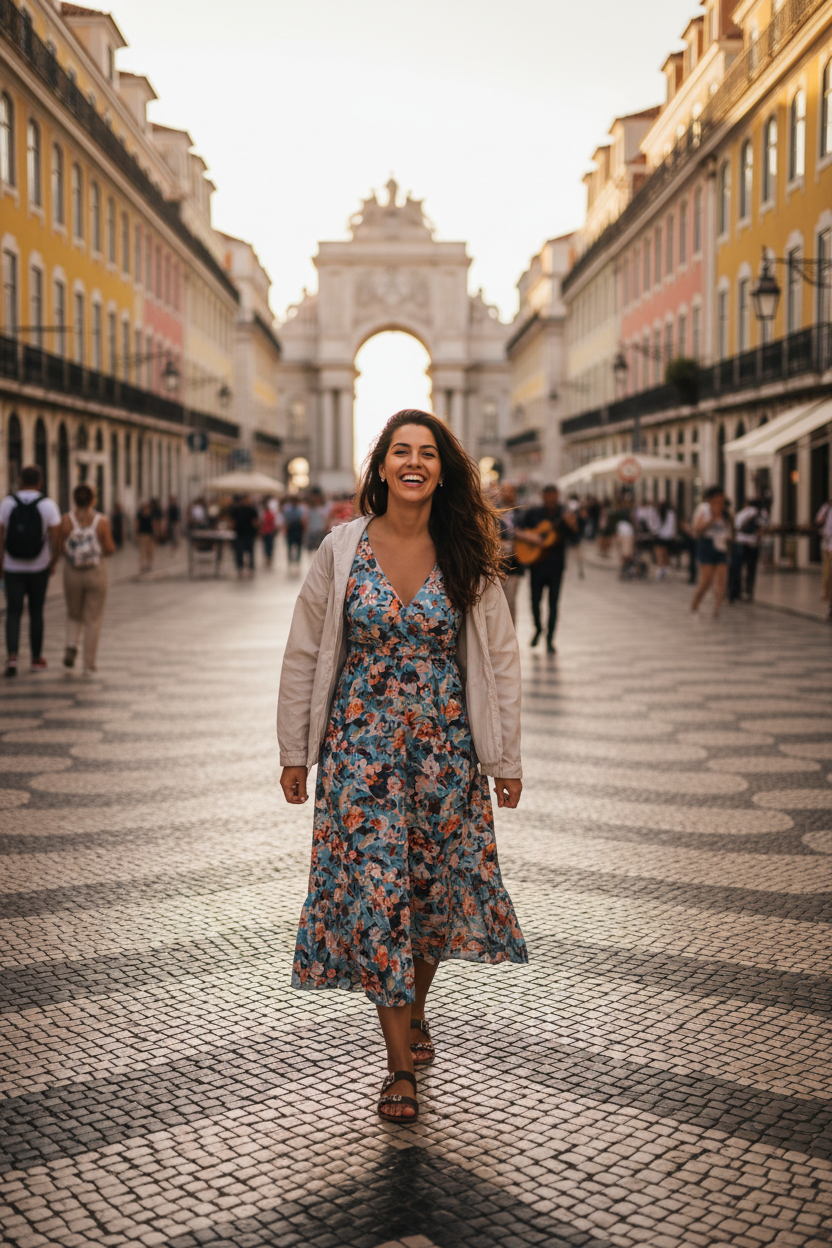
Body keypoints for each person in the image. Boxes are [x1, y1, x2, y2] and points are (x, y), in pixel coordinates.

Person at [277, 409, 527, 1125]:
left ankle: (414, 1008)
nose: (413, 463)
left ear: (442, 470)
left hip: (444, 750)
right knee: (379, 893)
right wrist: (296, 750)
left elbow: (500, 660)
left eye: (426, 453)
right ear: (381, 466)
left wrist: (503, 756)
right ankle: (397, 1068)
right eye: (400, 452)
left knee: (432, 895)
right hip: (360, 748)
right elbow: (304, 649)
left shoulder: (464, 553)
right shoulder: (340, 548)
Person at [0, 465, 62, 676]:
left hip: (12, 567)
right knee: (36, 612)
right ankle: (36, 658)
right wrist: (53, 560)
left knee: (13, 612)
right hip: (39, 567)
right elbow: (56, 538)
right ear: (40, 482)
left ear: (19, 481)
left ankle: (12, 657)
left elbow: (0, 535)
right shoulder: (48, 505)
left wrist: (1, 562)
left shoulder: (7, 503)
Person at [59, 483, 116, 674]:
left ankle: (72, 645)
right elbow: (109, 548)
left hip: (72, 572)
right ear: (94, 500)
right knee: (92, 617)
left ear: (74, 499)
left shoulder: (66, 520)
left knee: (73, 613)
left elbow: (59, 547)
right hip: (95, 572)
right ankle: (89, 663)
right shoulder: (101, 521)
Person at [515, 484, 576, 654]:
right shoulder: (533, 513)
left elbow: (575, 537)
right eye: (548, 496)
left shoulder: (565, 514)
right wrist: (532, 538)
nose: (550, 500)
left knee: (553, 604)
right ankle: (538, 628)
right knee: (535, 601)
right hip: (536, 564)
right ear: (543, 497)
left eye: (553, 496)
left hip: (556, 566)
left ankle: (550, 639)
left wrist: (573, 525)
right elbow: (519, 531)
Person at [690, 485, 730, 619]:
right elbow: (696, 529)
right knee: (706, 581)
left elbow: (731, 528)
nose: (722, 499)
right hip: (707, 545)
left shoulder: (726, 511)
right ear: (712, 498)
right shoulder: (703, 509)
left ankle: (717, 609)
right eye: (719, 497)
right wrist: (712, 519)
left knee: (721, 580)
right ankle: (694, 606)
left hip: (721, 546)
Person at [729, 497, 767, 603]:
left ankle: (736, 592)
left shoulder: (742, 513)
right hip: (752, 544)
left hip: (740, 542)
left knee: (738, 568)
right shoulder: (760, 512)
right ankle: (749, 592)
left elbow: (736, 526)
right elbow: (764, 526)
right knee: (751, 569)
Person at [497, 482, 523, 625]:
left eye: (511, 491)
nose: (507, 494)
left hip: (515, 564)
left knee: (511, 601)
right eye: (505, 491)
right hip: (497, 565)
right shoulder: (494, 511)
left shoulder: (521, 513)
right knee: (496, 604)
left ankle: (512, 635)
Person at [229, 493, 259, 576]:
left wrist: (256, 531)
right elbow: (232, 522)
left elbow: (255, 521)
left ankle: (251, 567)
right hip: (239, 533)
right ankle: (240, 567)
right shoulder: (236, 510)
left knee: (250, 552)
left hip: (249, 533)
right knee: (239, 552)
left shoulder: (252, 509)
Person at [653, 500, 677, 580]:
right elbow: (674, 526)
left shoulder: (658, 514)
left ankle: (660, 570)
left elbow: (655, 526)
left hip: (660, 536)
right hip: (668, 537)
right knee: (666, 555)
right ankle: (664, 569)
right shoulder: (671, 513)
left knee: (659, 555)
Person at [816, 497, 832, 618]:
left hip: (829, 546)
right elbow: (818, 520)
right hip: (829, 547)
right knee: (828, 577)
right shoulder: (827, 508)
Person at [283, 495, 306, 564]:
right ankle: (290, 559)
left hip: (298, 528)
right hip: (291, 528)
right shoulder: (288, 509)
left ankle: (297, 559)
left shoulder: (301, 510)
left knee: (298, 545)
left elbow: (303, 520)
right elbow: (286, 520)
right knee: (290, 545)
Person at [136, 501, 155, 573]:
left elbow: (153, 524)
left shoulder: (151, 515)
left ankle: (149, 564)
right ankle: (143, 565)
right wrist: (137, 533)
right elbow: (137, 524)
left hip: (150, 534)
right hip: (143, 534)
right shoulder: (140, 515)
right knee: (143, 550)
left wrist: (154, 534)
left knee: (150, 550)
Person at [260, 498, 279, 569]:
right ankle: (268, 556)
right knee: (269, 545)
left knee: (267, 545)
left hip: (267, 531)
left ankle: (268, 556)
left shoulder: (265, 514)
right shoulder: (269, 514)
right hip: (268, 532)